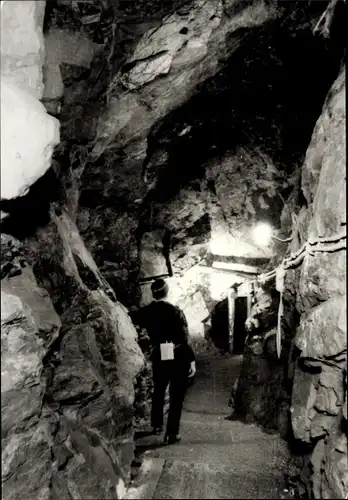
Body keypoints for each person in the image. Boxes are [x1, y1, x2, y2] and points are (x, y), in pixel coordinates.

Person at [129, 278, 196, 445]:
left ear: (152, 293)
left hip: (159, 355)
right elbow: (184, 338)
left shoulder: (146, 312)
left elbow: (130, 318)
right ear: (167, 292)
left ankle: (157, 425)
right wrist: (192, 361)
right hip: (178, 355)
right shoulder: (176, 312)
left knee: (158, 391)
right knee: (176, 396)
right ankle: (171, 434)